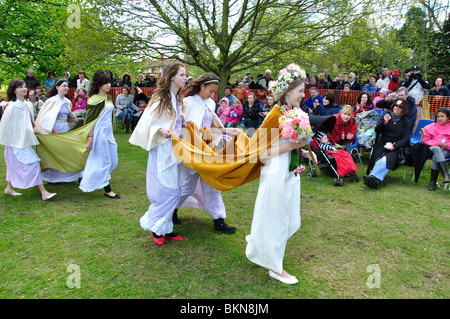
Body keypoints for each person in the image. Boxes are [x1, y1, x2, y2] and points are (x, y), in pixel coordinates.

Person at [245, 64, 316, 285]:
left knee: (291, 220)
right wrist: (294, 145)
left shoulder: (293, 113)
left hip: (288, 171)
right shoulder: (275, 114)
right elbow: (261, 153)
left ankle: (263, 247)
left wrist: (302, 150)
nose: (303, 95)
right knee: (277, 219)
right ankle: (275, 267)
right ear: (288, 91)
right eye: (300, 91)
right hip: (275, 171)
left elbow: (288, 142)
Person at [172, 73, 239, 233]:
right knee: (186, 185)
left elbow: (210, 126)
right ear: (202, 86)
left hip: (208, 149)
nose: (212, 95)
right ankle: (170, 211)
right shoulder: (187, 103)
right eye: (211, 90)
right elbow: (181, 126)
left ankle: (219, 220)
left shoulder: (210, 103)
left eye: (215, 91)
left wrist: (227, 130)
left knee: (212, 184)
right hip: (191, 149)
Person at [129, 62, 186, 244]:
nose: (185, 78)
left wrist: (183, 123)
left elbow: (173, 122)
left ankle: (164, 227)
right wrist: (159, 130)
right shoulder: (161, 99)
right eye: (182, 75)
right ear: (172, 78)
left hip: (174, 149)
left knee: (174, 190)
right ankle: (155, 225)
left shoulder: (176, 99)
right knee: (168, 191)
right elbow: (147, 122)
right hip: (162, 148)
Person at [0, 79, 56, 200]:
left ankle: (9, 188)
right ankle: (43, 192)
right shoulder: (11, 107)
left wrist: (34, 127)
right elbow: (6, 125)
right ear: (14, 90)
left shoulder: (27, 104)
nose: (24, 89)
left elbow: (30, 120)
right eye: (20, 87)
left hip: (26, 140)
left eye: (24, 86)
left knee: (15, 165)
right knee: (33, 163)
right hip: (16, 142)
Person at [79, 70, 119, 198]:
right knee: (105, 161)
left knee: (114, 162)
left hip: (108, 134)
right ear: (99, 84)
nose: (108, 85)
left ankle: (86, 176)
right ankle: (108, 190)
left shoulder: (108, 98)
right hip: (99, 135)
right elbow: (89, 121)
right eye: (105, 83)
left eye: (109, 83)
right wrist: (90, 137)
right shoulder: (94, 100)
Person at [34, 79, 82, 184]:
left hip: (65, 128)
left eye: (67, 86)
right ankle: (52, 178)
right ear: (57, 87)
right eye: (64, 86)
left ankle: (73, 174)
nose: (66, 88)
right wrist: (55, 132)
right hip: (55, 129)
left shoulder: (67, 101)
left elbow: (67, 117)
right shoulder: (52, 101)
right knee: (55, 154)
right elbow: (47, 119)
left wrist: (77, 120)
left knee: (68, 153)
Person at [364, 98, 410, 189]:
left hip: (396, 146)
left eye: (400, 106)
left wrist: (395, 146)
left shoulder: (405, 121)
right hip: (383, 143)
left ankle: (374, 178)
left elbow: (405, 138)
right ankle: (374, 179)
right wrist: (384, 122)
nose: (397, 107)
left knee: (385, 159)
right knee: (377, 158)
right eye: (396, 105)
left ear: (403, 109)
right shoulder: (386, 116)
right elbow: (377, 130)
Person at [422, 108, 450, 190]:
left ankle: (432, 182)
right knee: (436, 149)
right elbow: (425, 140)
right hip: (432, 148)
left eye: (442, 116)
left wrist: (446, 145)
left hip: (447, 150)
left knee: (436, 157)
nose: (439, 118)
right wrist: (438, 144)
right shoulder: (429, 127)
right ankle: (445, 175)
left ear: (448, 117)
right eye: (438, 116)